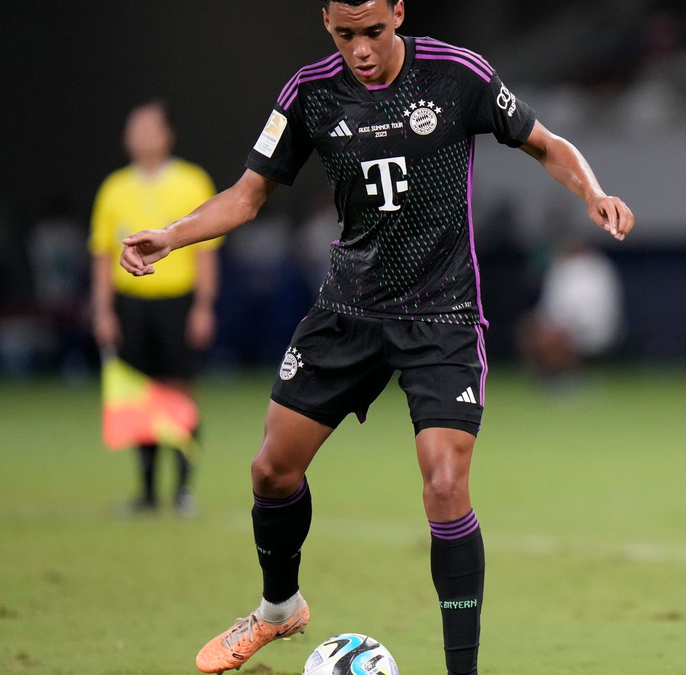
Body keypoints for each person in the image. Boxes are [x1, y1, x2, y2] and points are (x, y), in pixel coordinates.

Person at [118, 1, 633, 673]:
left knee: (446, 485)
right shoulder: (309, 94)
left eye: (373, 31)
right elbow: (248, 195)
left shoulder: (455, 75)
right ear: (326, 24)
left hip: (442, 315)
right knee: (271, 472)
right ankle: (279, 608)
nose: (360, 48)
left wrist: (590, 191)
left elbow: (546, 144)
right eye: (343, 34)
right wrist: (172, 234)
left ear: (397, 13)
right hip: (348, 310)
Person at [90, 100, 220, 516]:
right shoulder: (113, 188)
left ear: (168, 134)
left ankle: (183, 490)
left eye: (149, 127)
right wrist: (104, 312)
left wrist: (203, 306)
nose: (141, 135)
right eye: (134, 128)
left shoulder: (192, 182)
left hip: (177, 303)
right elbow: (102, 256)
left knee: (179, 394)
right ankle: (147, 492)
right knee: (140, 399)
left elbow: (206, 252)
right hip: (131, 304)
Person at [517, 235, 624, 384]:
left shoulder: (599, 269)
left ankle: (570, 378)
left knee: (556, 337)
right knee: (529, 330)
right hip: (558, 324)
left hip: (592, 327)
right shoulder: (560, 268)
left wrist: (570, 324)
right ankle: (543, 379)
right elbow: (548, 304)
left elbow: (601, 308)